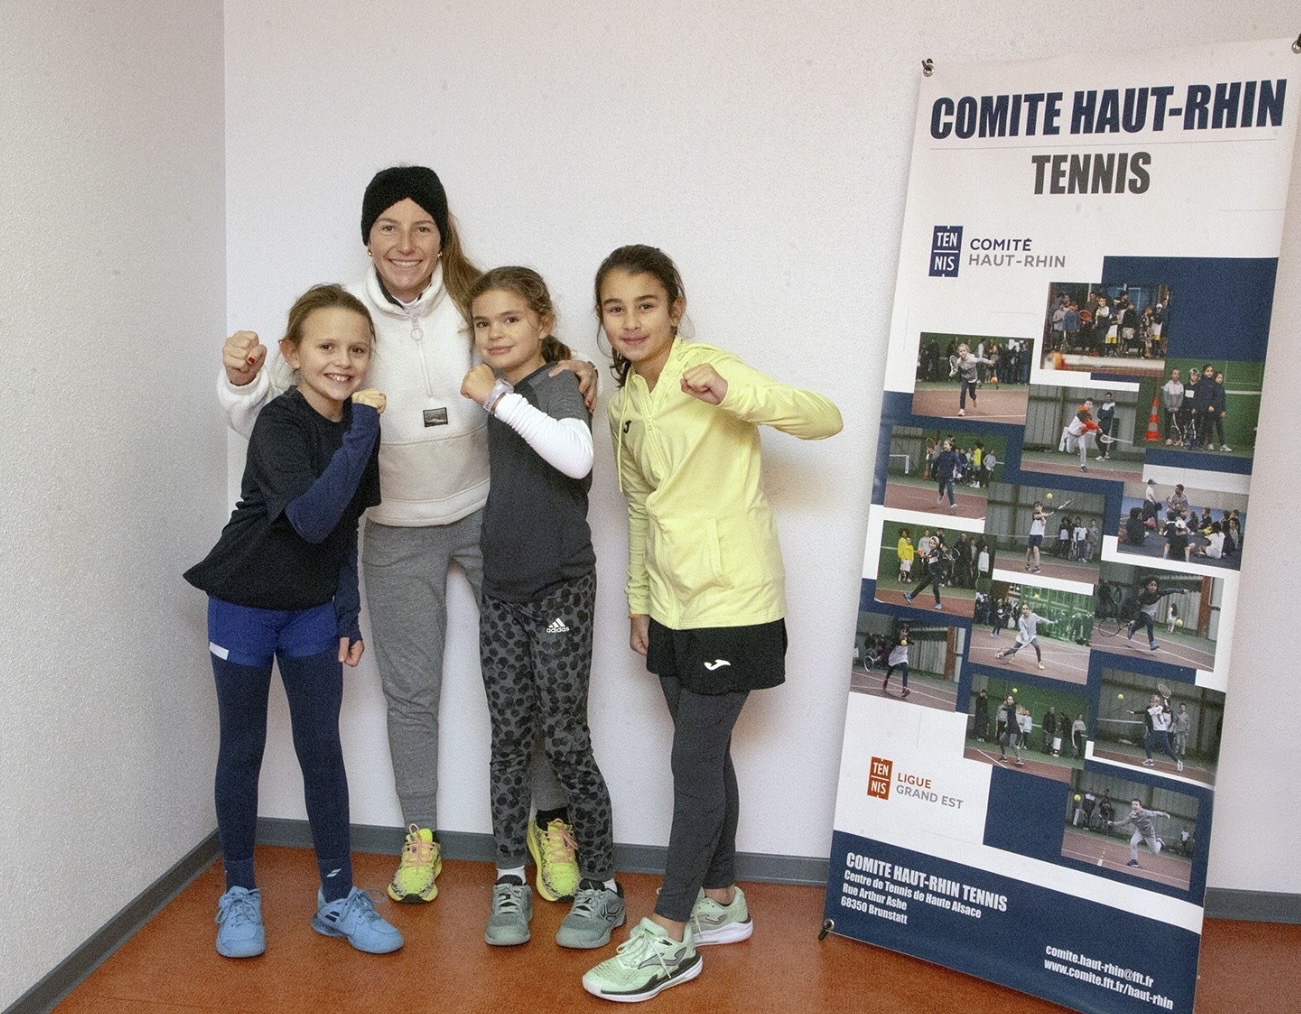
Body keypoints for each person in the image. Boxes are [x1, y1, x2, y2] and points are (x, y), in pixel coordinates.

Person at [217, 167, 593, 906]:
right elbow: (273, 414)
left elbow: (543, 369)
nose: (405, 242)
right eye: (388, 226)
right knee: (412, 693)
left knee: (532, 683)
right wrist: (241, 380)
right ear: (367, 238)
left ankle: (550, 823)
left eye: (422, 226)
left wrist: (581, 370)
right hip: (393, 528)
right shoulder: (343, 314)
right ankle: (420, 835)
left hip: (489, 514)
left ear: (443, 235)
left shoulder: (477, 298)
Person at [582, 245, 842, 1003]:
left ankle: (669, 932)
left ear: (675, 307)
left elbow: (823, 418)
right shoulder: (627, 400)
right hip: (670, 603)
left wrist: (734, 394)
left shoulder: (710, 367)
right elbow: (638, 506)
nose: (631, 321)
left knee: (691, 761)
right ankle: (721, 899)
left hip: (733, 600)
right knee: (704, 755)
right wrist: (637, 598)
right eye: (615, 308)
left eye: (645, 305)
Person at [186, 285, 401, 957]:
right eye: (327, 346)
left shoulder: (360, 425)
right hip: (243, 602)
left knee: (321, 750)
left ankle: (337, 898)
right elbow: (309, 518)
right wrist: (361, 430)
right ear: (293, 353)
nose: (343, 361)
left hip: (311, 611)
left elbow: (343, 527)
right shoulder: (279, 423)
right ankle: (239, 892)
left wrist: (348, 613)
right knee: (243, 747)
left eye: (357, 349)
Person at [459, 267, 624, 948]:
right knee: (508, 739)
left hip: (559, 590)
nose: (495, 334)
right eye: (483, 323)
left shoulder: (556, 383)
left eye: (511, 319)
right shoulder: (511, 388)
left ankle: (601, 886)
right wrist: (498, 395)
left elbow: (577, 459)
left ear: (543, 322)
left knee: (565, 740)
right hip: (502, 590)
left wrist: (498, 398)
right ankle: (508, 879)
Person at [1109, 799, 1170, 868]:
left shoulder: (1146, 813)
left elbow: (1156, 813)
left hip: (1149, 834)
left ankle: (1159, 842)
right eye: (1133, 804)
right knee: (1133, 842)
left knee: (1155, 852)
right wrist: (1113, 823)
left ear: (1140, 806)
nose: (1134, 806)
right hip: (1139, 832)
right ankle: (1134, 861)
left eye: (1136, 804)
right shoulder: (1131, 816)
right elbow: (1123, 823)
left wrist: (1165, 814)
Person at [995, 603, 1052, 670]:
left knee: (1037, 646)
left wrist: (1048, 621)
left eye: (1026, 609)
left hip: (1032, 636)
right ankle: (1003, 654)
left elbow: (1040, 619)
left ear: (1030, 610)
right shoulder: (1021, 620)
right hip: (1022, 637)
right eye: (1023, 609)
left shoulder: (1033, 616)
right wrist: (1026, 641)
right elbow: (1023, 631)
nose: (1025, 610)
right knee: (1013, 650)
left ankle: (1040, 662)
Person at [904, 535, 946, 612]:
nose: (932, 545)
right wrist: (923, 556)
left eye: (934, 543)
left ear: (936, 544)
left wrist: (923, 555)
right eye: (931, 543)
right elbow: (929, 559)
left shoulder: (936, 552)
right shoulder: (931, 551)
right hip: (931, 573)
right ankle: (910, 597)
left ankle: (938, 603)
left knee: (935, 588)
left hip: (937, 574)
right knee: (921, 585)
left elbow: (929, 556)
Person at [952, 343, 992, 417]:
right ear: (958, 352)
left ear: (967, 351)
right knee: (963, 391)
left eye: (964, 350)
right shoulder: (958, 361)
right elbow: (958, 369)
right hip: (964, 378)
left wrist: (989, 361)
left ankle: (974, 397)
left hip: (973, 379)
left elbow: (981, 359)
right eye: (960, 351)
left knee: (971, 394)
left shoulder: (971, 359)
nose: (962, 352)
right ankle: (962, 409)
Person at [1061, 398, 1100, 472]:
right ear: (1084, 405)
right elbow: (1089, 423)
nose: (1088, 405)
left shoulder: (1090, 416)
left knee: (1082, 448)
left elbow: (1088, 427)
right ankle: (1067, 440)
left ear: (1092, 406)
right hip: (1071, 434)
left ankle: (1083, 466)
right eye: (1087, 404)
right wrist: (1098, 428)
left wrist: (1084, 430)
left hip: (1080, 435)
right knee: (1069, 451)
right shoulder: (1081, 413)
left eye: (1090, 404)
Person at [929, 438, 960, 511]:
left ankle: (952, 504)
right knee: (940, 490)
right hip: (941, 475)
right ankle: (941, 495)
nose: (944, 446)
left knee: (950, 490)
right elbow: (935, 461)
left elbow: (959, 464)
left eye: (946, 444)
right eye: (944, 444)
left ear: (950, 446)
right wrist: (929, 456)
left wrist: (959, 472)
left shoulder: (953, 455)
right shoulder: (942, 454)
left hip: (949, 476)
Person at [882, 625, 911, 698]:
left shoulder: (908, 639)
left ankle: (904, 689)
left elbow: (910, 643)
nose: (904, 633)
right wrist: (882, 656)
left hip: (903, 656)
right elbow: (889, 649)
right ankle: (886, 679)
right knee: (892, 668)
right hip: (895, 656)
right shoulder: (895, 639)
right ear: (900, 631)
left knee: (906, 668)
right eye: (903, 631)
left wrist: (907, 642)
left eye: (906, 632)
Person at [1024, 500, 1051, 573]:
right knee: (1029, 550)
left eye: (1038, 506)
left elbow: (1044, 523)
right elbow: (1036, 516)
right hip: (1032, 534)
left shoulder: (1043, 516)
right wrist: (1043, 514)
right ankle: (1027, 564)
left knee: (1036, 549)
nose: (1036, 508)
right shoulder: (1034, 514)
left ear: (1041, 507)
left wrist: (1043, 515)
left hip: (1039, 534)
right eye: (1035, 507)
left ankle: (1037, 567)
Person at [996, 695, 1023, 766]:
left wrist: (1003, 707)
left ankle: (1019, 759)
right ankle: (1004, 757)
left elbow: (1008, 709)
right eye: (1008, 699)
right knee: (1001, 740)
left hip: (1014, 728)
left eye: (1011, 699)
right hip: (1009, 728)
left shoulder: (1013, 707)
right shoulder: (1009, 706)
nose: (1009, 700)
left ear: (1013, 701)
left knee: (1012, 744)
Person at [1161, 368, 1184, 445]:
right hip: (1168, 409)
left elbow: (1181, 397)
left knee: (1179, 423)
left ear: (1179, 376)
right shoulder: (1167, 385)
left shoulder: (1181, 386)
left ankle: (1178, 440)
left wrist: (1177, 407)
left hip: (1177, 409)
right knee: (1167, 423)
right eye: (1174, 373)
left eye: (1178, 374)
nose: (1176, 375)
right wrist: (1168, 407)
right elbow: (1165, 397)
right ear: (1171, 375)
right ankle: (1168, 439)